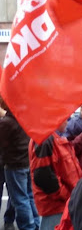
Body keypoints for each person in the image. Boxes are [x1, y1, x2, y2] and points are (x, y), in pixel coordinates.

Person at [29, 120, 82, 230]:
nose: (67, 123)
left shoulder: (54, 137)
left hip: (62, 204)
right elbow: (43, 176)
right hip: (56, 206)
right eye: (65, 119)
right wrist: (65, 195)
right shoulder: (45, 139)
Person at [0, 96, 40, 230]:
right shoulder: (24, 117)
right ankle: (35, 225)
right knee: (29, 197)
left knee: (20, 200)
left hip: (14, 165)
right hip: (26, 162)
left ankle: (28, 227)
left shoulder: (7, 122)